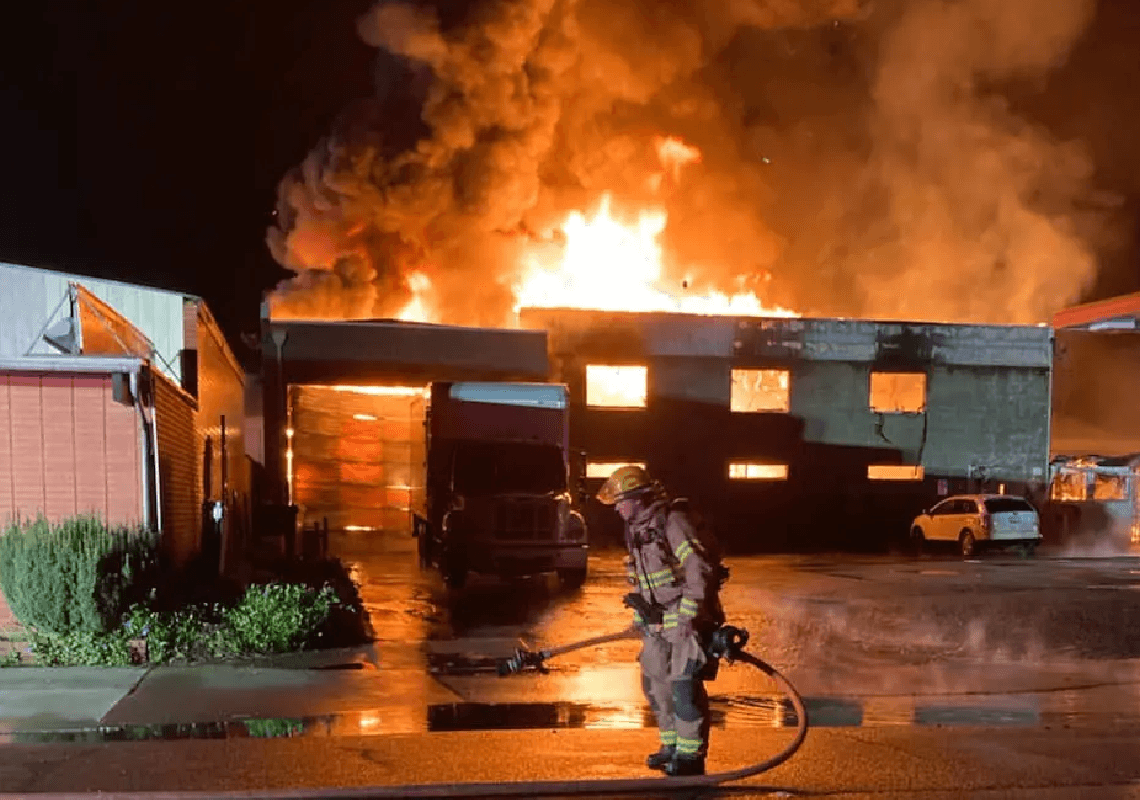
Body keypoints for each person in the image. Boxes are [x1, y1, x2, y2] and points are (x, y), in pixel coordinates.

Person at [596, 465, 724, 777]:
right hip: (657, 620)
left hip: (686, 616)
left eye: (620, 502)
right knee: (656, 682)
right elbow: (643, 577)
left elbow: (698, 568)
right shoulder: (635, 529)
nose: (617, 509)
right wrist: (641, 614)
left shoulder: (673, 522)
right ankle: (671, 745)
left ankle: (691, 756)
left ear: (638, 499)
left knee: (683, 685)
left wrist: (688, 615)